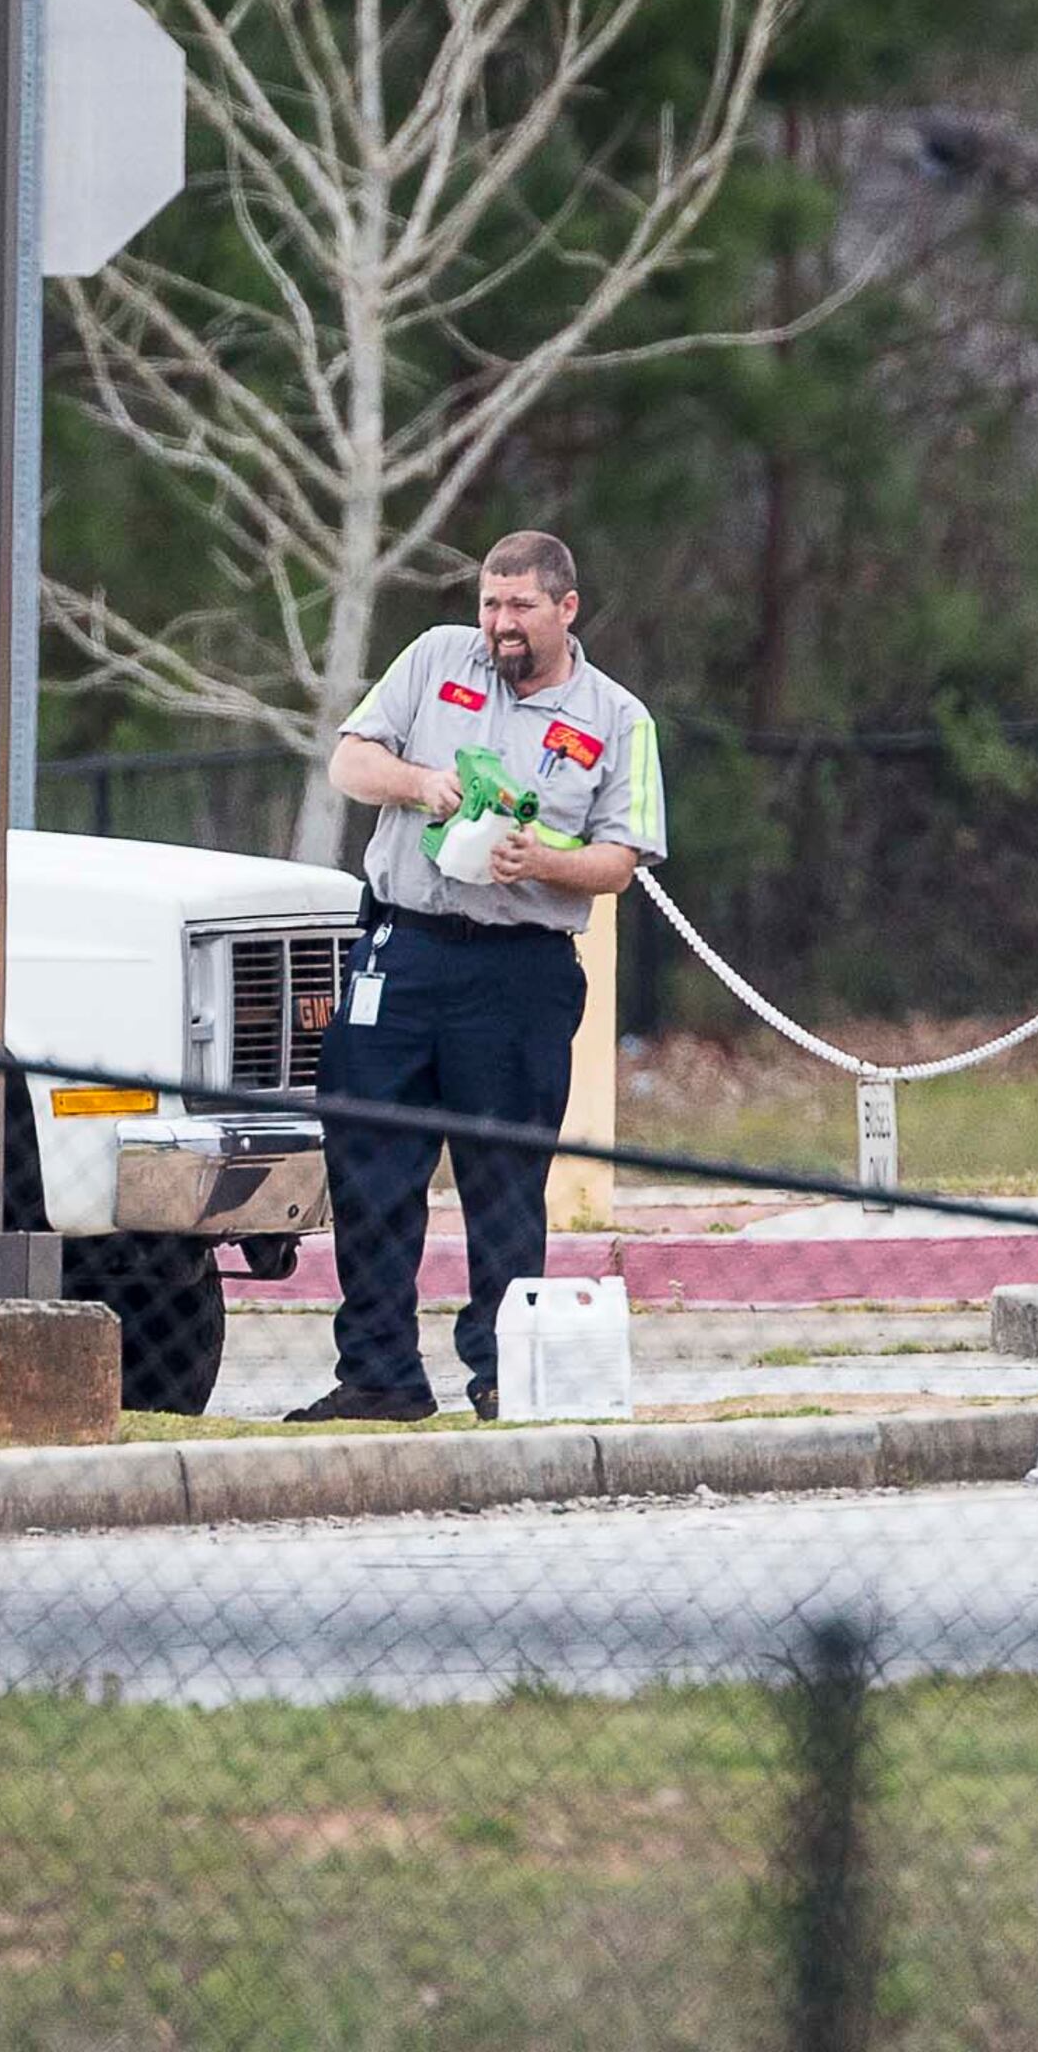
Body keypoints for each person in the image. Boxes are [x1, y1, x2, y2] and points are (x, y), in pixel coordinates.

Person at [287, 532, 666, 1423]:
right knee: (370, 1164)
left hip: (518, 970)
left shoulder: (618, 719)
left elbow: (620, 861)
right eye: (490, 604)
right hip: (403, 949)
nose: (499, 624)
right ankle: (379, 1373)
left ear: (566, 609)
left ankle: (503, 1373)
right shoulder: (432, 660)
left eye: (519, 607)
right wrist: (422, 786)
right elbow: (350, 760)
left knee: (501, 1178)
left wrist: (543, 859)